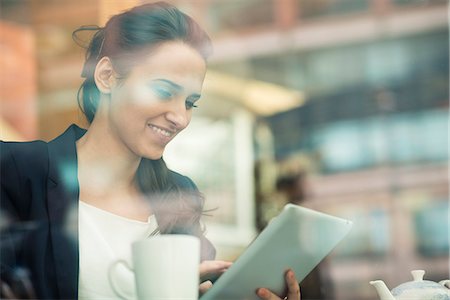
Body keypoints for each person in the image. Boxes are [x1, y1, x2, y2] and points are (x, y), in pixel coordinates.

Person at [0, 2, 301, 299]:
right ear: (107, 77)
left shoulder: (178, 197)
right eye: (163, 91)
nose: (180, 118)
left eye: (190, 102)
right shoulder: (17, 171)